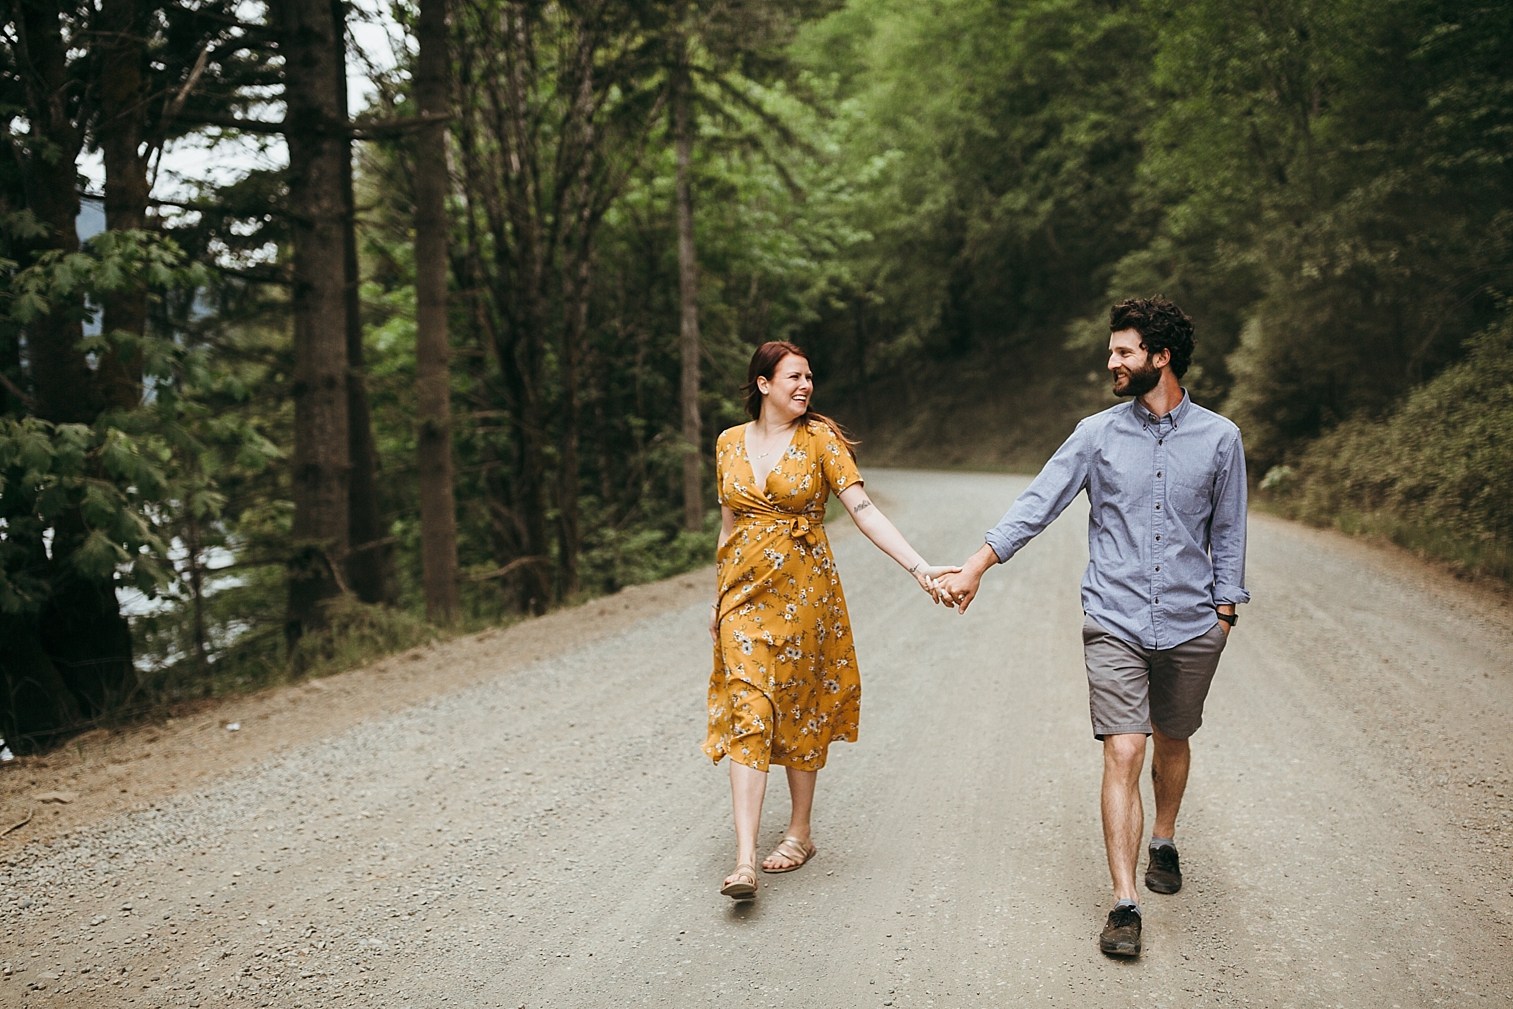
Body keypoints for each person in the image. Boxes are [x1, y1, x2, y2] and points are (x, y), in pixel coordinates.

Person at [934, 297, 1249, 957]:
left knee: (1171, 737)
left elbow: (1228, 529)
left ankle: (1163, 836)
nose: (1110, 361)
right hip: (1114, 617)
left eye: (1123, 351)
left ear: (1159, 357)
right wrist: (976, 565)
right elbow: (1036, 503)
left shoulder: (1220, 438)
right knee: (1123, 749)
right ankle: (1124, 902)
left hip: (1192, 623)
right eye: (1112, 350)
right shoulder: (1094, 434)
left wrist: (1223, 612)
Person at [705, 340, 956, 900]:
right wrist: (718, 601)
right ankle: (744, 860)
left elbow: (863, 511)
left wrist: (920, 569)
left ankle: (799, 831)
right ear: (764, 384)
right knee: (749, 708)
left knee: (799, 706)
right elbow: (728, 529)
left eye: (809, 377)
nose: (805, 386)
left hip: (805, 596)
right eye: (793, 376)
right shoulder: (726, 443)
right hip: (742, 599)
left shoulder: (822, 439)